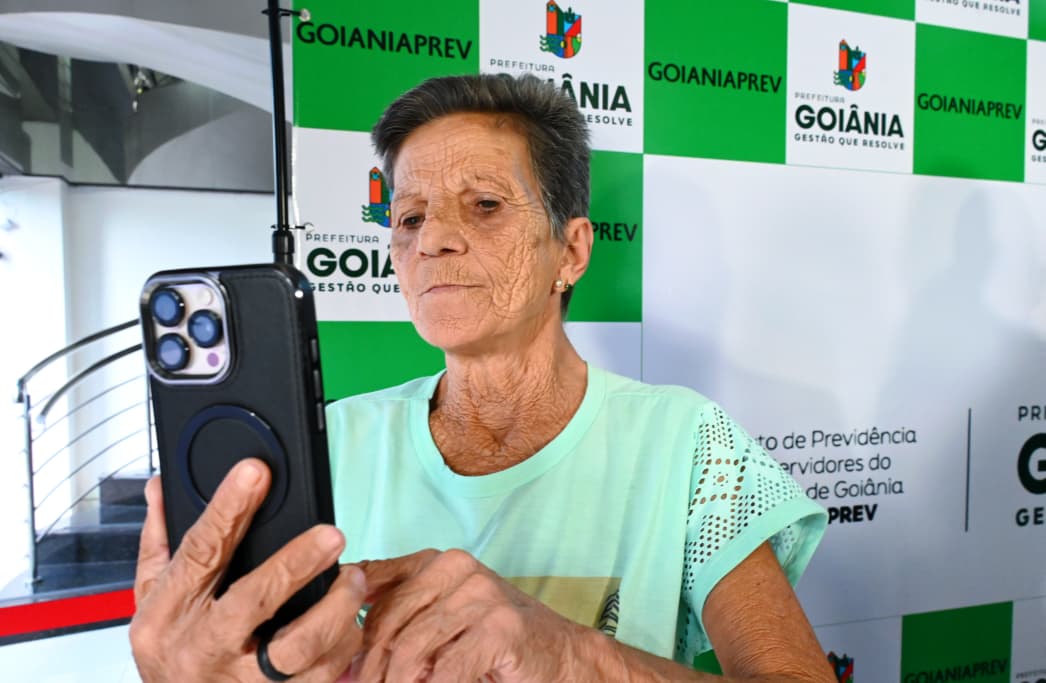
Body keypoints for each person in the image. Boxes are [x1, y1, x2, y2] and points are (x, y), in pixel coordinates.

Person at [130, 73, 832, 682]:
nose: (432, 238)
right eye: (409, 217)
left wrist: (574, 655)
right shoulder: (330, 444)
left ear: (572, 250)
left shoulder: (685, 443)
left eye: (486, 205)